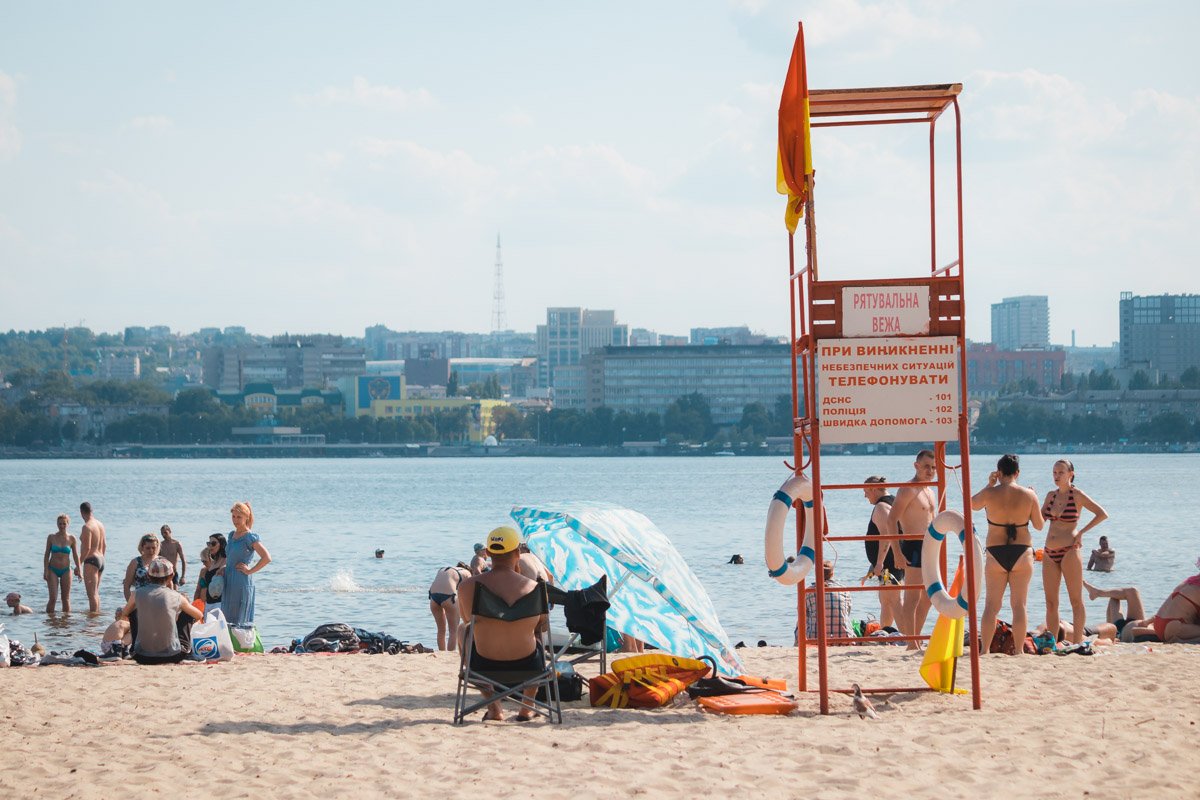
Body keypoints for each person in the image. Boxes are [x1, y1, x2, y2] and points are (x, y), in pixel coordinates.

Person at [456, 526, 549, 722]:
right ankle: (528, 706)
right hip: (529, 664)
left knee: (461, 630)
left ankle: (494, 707)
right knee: (537, 635)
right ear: (517, 553)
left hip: (483, 664)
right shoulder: (535, 589)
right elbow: (543, 627)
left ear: (488, 553)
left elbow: (466, 621)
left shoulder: (466, 587)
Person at [971, 454, 1044, 656]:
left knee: (991, 606)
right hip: (1022, 551)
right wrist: (1034, 497)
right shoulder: (1029, 495)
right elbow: (1039, 525)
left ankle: (985, 650)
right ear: (1017, 473)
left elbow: (972, 504)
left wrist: (989, 484)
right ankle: (1019, 650)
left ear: (999, 472)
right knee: (1019, 605)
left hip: (995, 552)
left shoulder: (990, 493)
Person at [1041, 459, 1108, 644]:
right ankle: (1052, 643)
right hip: (1048, 552)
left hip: (1070, 550)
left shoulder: (1077, 495)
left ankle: (1078, 642)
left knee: (1076, 600)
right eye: (1054, 472)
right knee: (1051, 602)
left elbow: (1102, 513)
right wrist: (1030, 498)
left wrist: (1081, 532)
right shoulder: (1050, 496)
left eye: (1060, 472)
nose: (1056, 476)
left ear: (1071, 474)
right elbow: (1039, 523)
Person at [887, 449, 938, 649]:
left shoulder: (930, 490)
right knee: (912, 597)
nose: (930, 471)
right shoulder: (908, 489)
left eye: (933, 467)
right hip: (913, 545)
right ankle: (911, 643)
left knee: (929, 597)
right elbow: (892, 520)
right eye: (926, 466)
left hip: (930, 546)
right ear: (916, 466)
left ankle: (915, 637)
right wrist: (897, 552)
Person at [116, 557, 203, 665]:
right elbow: (199, 615)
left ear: (148, 575)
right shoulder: (177, 596)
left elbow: (124, 614)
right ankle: (188, 652)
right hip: (172, 656)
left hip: (141, 656)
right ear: (171, 576)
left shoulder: (136, 594)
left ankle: (132, 645)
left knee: (133, 612)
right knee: (188, 614)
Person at [1097, 571, 1200, 644]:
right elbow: (1136, 631)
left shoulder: (1191, 581)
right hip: (1171, 626)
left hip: (1160, 624)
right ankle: (1100, 593)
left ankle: (1100, 593)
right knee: (1121, 599)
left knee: (1127, 594)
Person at [223, 501, 271, 628]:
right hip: (228, 579)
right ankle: (230, 646)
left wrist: (250, 571)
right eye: (233, 516)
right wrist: (223, 568)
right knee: (227, 617)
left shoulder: (250, 537)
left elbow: (266, 558)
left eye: (239, 517)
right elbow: (231, 556)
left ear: (246, 517)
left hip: (241, 581)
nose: (235, 520)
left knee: (240, 619)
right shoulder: (231, 535)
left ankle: (243, 646)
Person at [863, 475, 903, 628]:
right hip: (890, 561)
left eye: (866, 491)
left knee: (894, 600)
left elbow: (887, 536)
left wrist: (879, 563)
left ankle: (908, 637)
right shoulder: (893, 501)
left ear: (873, 488)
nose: (865, 495)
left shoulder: (881, 507)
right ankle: (886, 634)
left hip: (888, 563)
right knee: (886, 600)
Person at [801, 561, 853, 645]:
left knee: (800, 621)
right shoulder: (844, 590)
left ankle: (799, 644)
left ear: (816, 573)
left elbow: (803, 614)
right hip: (844, 639)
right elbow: (847, 612)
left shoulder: (809, 591)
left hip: (815, 639)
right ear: (832, 574)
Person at [428, 564, 472, 651]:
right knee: (453, 631)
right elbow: (468, 593)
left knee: (441, 629)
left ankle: (441, 652)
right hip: (449, 597)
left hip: (433, 597)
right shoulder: (467, 573)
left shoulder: (443, 569)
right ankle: (450, 653)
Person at [43, 513, 81, 613]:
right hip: (52, 570)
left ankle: (66, 623)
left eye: (64, 524)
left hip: (66, 570)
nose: (62, 526)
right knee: (53, 598)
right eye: (60, 524)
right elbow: (46, 554)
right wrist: (45, 570)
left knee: (66, 599)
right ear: (57, 524)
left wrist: (79, 569)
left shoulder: (72, 538)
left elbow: (76, 555)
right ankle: (50, 621)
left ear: (68, 524)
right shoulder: (51, 537)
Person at [79, 501, 107, 613]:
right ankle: (96, 620)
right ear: (91, 511)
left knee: (91, 594)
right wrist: (101, 559)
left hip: (91, 560)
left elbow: (87, 548)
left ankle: (92, 624)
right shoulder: (100, 524)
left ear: (81, 512)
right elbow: (104, 545)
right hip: (101, 559)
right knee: (95, 593)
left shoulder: (87, 527)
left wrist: (78, 564)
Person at [194, 533, 227, 610]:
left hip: (220, 603)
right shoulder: (214, 562)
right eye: (209, 543)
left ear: (221, 544)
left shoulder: (227, 561)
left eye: (213, 543)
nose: (210, 546)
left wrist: (225, 567)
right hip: (208, 604)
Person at [123, 534, 161, 600]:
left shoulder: (162, 561)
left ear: (157, 547)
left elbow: (169, 584)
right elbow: (126, 585)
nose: (151, 550)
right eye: (148, 548)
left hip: (158, 600)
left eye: (153, 548)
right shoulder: (135, 562)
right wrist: (130, 604)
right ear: (142, 547)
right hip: (140, 600)